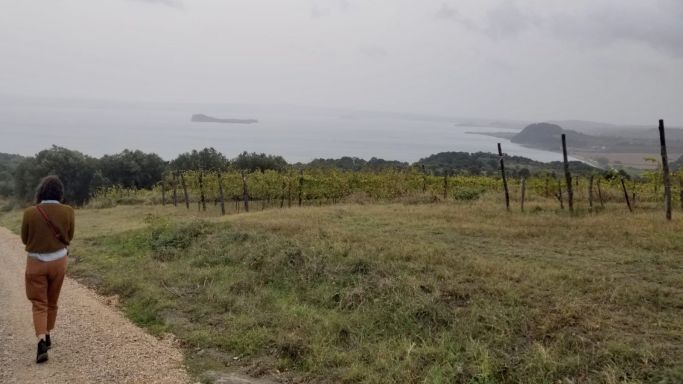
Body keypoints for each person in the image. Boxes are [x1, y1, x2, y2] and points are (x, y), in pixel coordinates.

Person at [21, 175, 75, 364]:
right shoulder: (68, 211)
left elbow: (24, 239)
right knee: (52, 301)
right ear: (60, 192)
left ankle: (41, 340)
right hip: (59, 261)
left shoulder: (30, 212)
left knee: (39, 303)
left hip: (36, 262)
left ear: (41, 191)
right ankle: (48, 333)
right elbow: (70, 235)